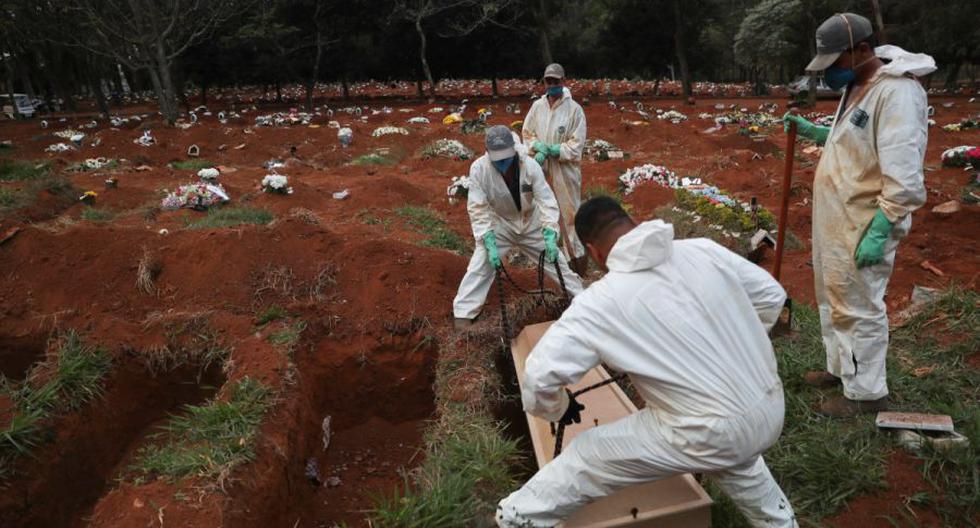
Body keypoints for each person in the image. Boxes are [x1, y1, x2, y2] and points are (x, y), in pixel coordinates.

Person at [496, 197, 797, 527]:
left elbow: (539, 377)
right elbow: (772, 297)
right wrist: (740, 345)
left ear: (595, 253)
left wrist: (559, 407)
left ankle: (513, 519)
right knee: (735, 456)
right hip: (769, 405)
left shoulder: (600, 302)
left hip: (709, 431)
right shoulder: (703, 250)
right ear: (634, 223)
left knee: (588, 454)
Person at [782, 13, 934, 417]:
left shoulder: (896, 92)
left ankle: (866, 395)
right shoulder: (858, 84)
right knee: (832, 297)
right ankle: (840, 369)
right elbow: (858, 140)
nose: (830, 73)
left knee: (859, 306)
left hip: (865, 220)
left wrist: (881, 228)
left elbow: (903, 173)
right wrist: (817, 133)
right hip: (838, 217)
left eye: (835, 63)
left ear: (862, 49)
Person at [452, 125, 583, 329]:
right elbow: (477, 207)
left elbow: (545, 200)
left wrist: (550, 231)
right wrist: (486, 236)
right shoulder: (479, 169)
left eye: (506, 158)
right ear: (488, 154)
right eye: (498, 161)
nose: (502, 164)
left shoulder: (530, 166)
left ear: (513, 151)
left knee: (555, 262)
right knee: (481, 264)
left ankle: (582, 301)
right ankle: (463, 314)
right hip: (500, 224)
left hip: (531, 222)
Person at [522, 63, 589, 276]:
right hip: (540, 165)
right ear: (544, 82)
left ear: (563, 81)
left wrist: (556, 150)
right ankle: (550, 260)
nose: (551, 85)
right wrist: (536, 147)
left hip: (564, 168)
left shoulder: (574, 110)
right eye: (548, 81)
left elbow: (576, 144)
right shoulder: (537, 107)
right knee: (540, 210)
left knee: (569, 213)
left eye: (555, 81)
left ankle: (576, 262)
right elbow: (527, 133)